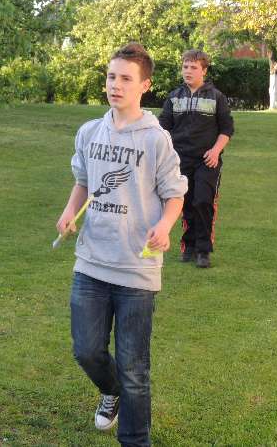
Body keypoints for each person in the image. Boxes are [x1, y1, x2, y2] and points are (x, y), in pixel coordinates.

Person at [56, 43, 187, 446]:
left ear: (144, 85)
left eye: (126, 78)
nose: (116, 85)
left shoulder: (156, 139)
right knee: (86, 350)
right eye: (112, 76)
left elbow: (175, 195)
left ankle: (135, 440)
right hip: (92, 262)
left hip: (136, 269)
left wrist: (165, 225)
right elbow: (83, 182)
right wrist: (69, 212)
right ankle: (110, 390)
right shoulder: (89, 132)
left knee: (134, 368)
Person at [158, 49, 234, 268]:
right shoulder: (174, 97)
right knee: (185, 203)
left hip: (207, 161)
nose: (188, 71)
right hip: (179, 161)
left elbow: (227, 129)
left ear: (204, 70)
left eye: (193, 67)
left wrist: (216, 151)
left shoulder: (216, 97)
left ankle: (203, 250)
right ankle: (188, 246)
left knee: (202, 201)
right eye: (185, 67)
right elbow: (162, 129)